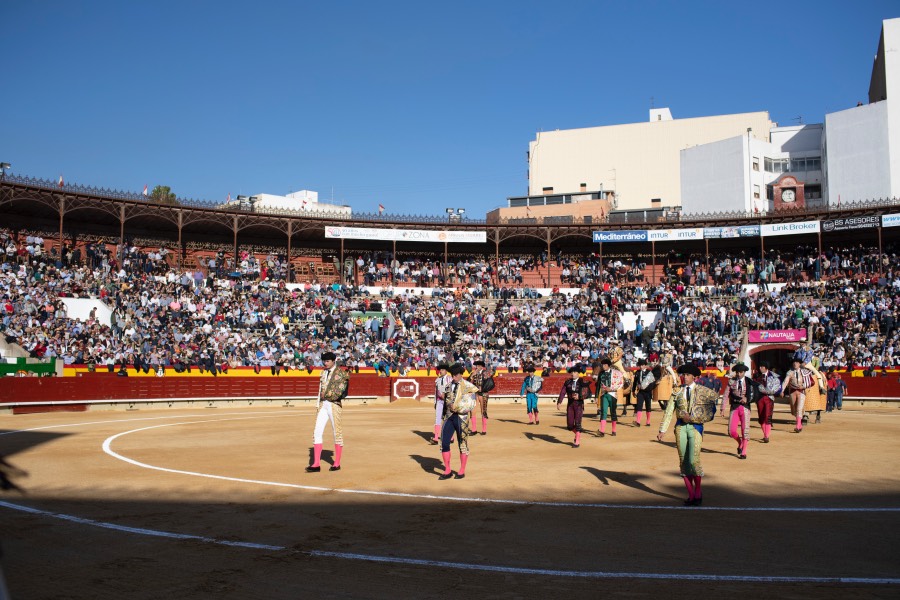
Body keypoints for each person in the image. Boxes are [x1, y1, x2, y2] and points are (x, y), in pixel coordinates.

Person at [657, 363, 719, 506]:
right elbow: (669, 411)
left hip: (696, 427)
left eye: (687, 375)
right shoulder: (676, 391)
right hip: (680, 427)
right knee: (683, 462)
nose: (684, 377)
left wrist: (695, 417)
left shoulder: (702, 391)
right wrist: (662, 429)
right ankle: (691, 494)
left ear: (694, 377)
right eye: (683, 375)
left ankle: (698, 492)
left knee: (693, 460)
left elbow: (711, 409)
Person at [306, 352, 349, 472]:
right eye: (324, 361)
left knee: (337, 432)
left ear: (333, 361)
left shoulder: (341, 373)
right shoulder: (323, 372)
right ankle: (316, 464)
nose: (325, 363)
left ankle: (337, 463)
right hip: (323, 405)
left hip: (334, 405)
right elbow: (320, 390)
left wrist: (330, 396)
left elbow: (344, 392)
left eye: (327, 361)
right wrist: (318, 403)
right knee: (317, 432)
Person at [438, 363, 479, 480]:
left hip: (462, 417)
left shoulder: (469, 386)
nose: (453, 377)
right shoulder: (448, 386)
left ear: (461, 374)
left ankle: (461, 470)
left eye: (455, 375)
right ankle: (447, 470)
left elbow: (471, 403)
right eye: (452, 375)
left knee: (462, 444)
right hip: (449, 417)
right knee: (444, 443)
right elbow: (445, 402)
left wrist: (456, 408)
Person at [721, 362, 757, 459]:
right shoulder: (731, 382)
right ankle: (740, 442)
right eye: (737, 372)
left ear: (744, 372)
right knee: (731, 431)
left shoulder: (749, 382)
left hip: (745, 408)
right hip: (735, 407)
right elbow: (725, 395)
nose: (739, 374)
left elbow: (754, 394)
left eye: (741, 372)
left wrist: (748, 399)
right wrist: (722, 408)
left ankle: (743, 452)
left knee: (745, 431)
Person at [557, 365, 591, 447]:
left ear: (578, 373)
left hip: (579, 405)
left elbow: (588, 394)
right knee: (570, 425)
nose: (573, 374)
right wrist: (559, 402)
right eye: (572, 372)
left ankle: (577, 441)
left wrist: (580, 397)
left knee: (578, 423)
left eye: (575, 372)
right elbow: (562, 392)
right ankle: (578, 433)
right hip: (570, 405)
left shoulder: (583, 382)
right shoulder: (568, 382)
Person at [780, 354, 815, 433]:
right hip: (792, 392)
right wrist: (781, 390)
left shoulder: (805, 372)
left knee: (799, 409)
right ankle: (799, 422)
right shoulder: (790, 372)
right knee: (794, 409)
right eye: (794, 362)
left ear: (799, 364)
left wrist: (804, 386)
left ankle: (798, 426)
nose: (795, 363)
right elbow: (785, 381)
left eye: (797, 362)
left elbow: (811, 382)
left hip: (801, 391)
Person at [754, 361, 781, 443]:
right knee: (761, 416)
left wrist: (767, 391)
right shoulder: (757, 376)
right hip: (759, 398)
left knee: (767, 416)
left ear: (766, 367)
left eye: (762, 366)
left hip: (769, 398)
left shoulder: (774, 376)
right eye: (760, 366)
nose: (760, 368)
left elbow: (777, 388)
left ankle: (766, 436)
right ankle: (765, 434)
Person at [596, 358, 622, 437]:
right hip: (604, 395)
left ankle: (614, 431)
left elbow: (620, 383)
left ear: (608, 365)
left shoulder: (616, 373)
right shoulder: (601, 374)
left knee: (613, 412)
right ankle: (602, 431)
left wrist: (611, 389)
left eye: (605, 365)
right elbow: (598, 386)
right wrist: (596, 396)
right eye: (602, 365)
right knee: (603, 412)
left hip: (613, 394)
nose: (603, 366)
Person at [467, 360, 494, 435]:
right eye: (476, 366)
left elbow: (491, 382)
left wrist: (484, 388)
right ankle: (474, 429)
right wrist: (472, 375)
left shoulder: (486, 373)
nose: (477, 367)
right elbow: (467, 383)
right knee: (472, 411)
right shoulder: (473, 373)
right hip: (475, 394)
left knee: (483, 411)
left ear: (482, 366)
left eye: (478, 366)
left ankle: (484, 430)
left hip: (483, 394)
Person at [431, 363, 452, 444]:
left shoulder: (449, 379)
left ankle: (451, 437)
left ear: (446, 371)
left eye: (443, 370)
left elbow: (451, 390)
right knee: (438, 418)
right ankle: (436, 438)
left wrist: (448, 398)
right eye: (440, 370)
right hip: (439, 401)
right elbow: (436, 393)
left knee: (448, 418)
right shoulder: (438, 379)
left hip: (447, 401)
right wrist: (435, 402)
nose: (441, 371)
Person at [633, 358, 656, 427]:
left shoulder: (649, 372)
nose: (640, 367)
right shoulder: (637, 372)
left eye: (642, 365)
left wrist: (649, 389)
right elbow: (635, 382)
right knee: (639, 406)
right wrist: (633, 390)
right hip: (641, 392)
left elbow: (652, 383)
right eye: (640, 365)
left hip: (648, 392)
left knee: (648, 407)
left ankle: (648, 421)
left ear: (645, 365)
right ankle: (638, 422)